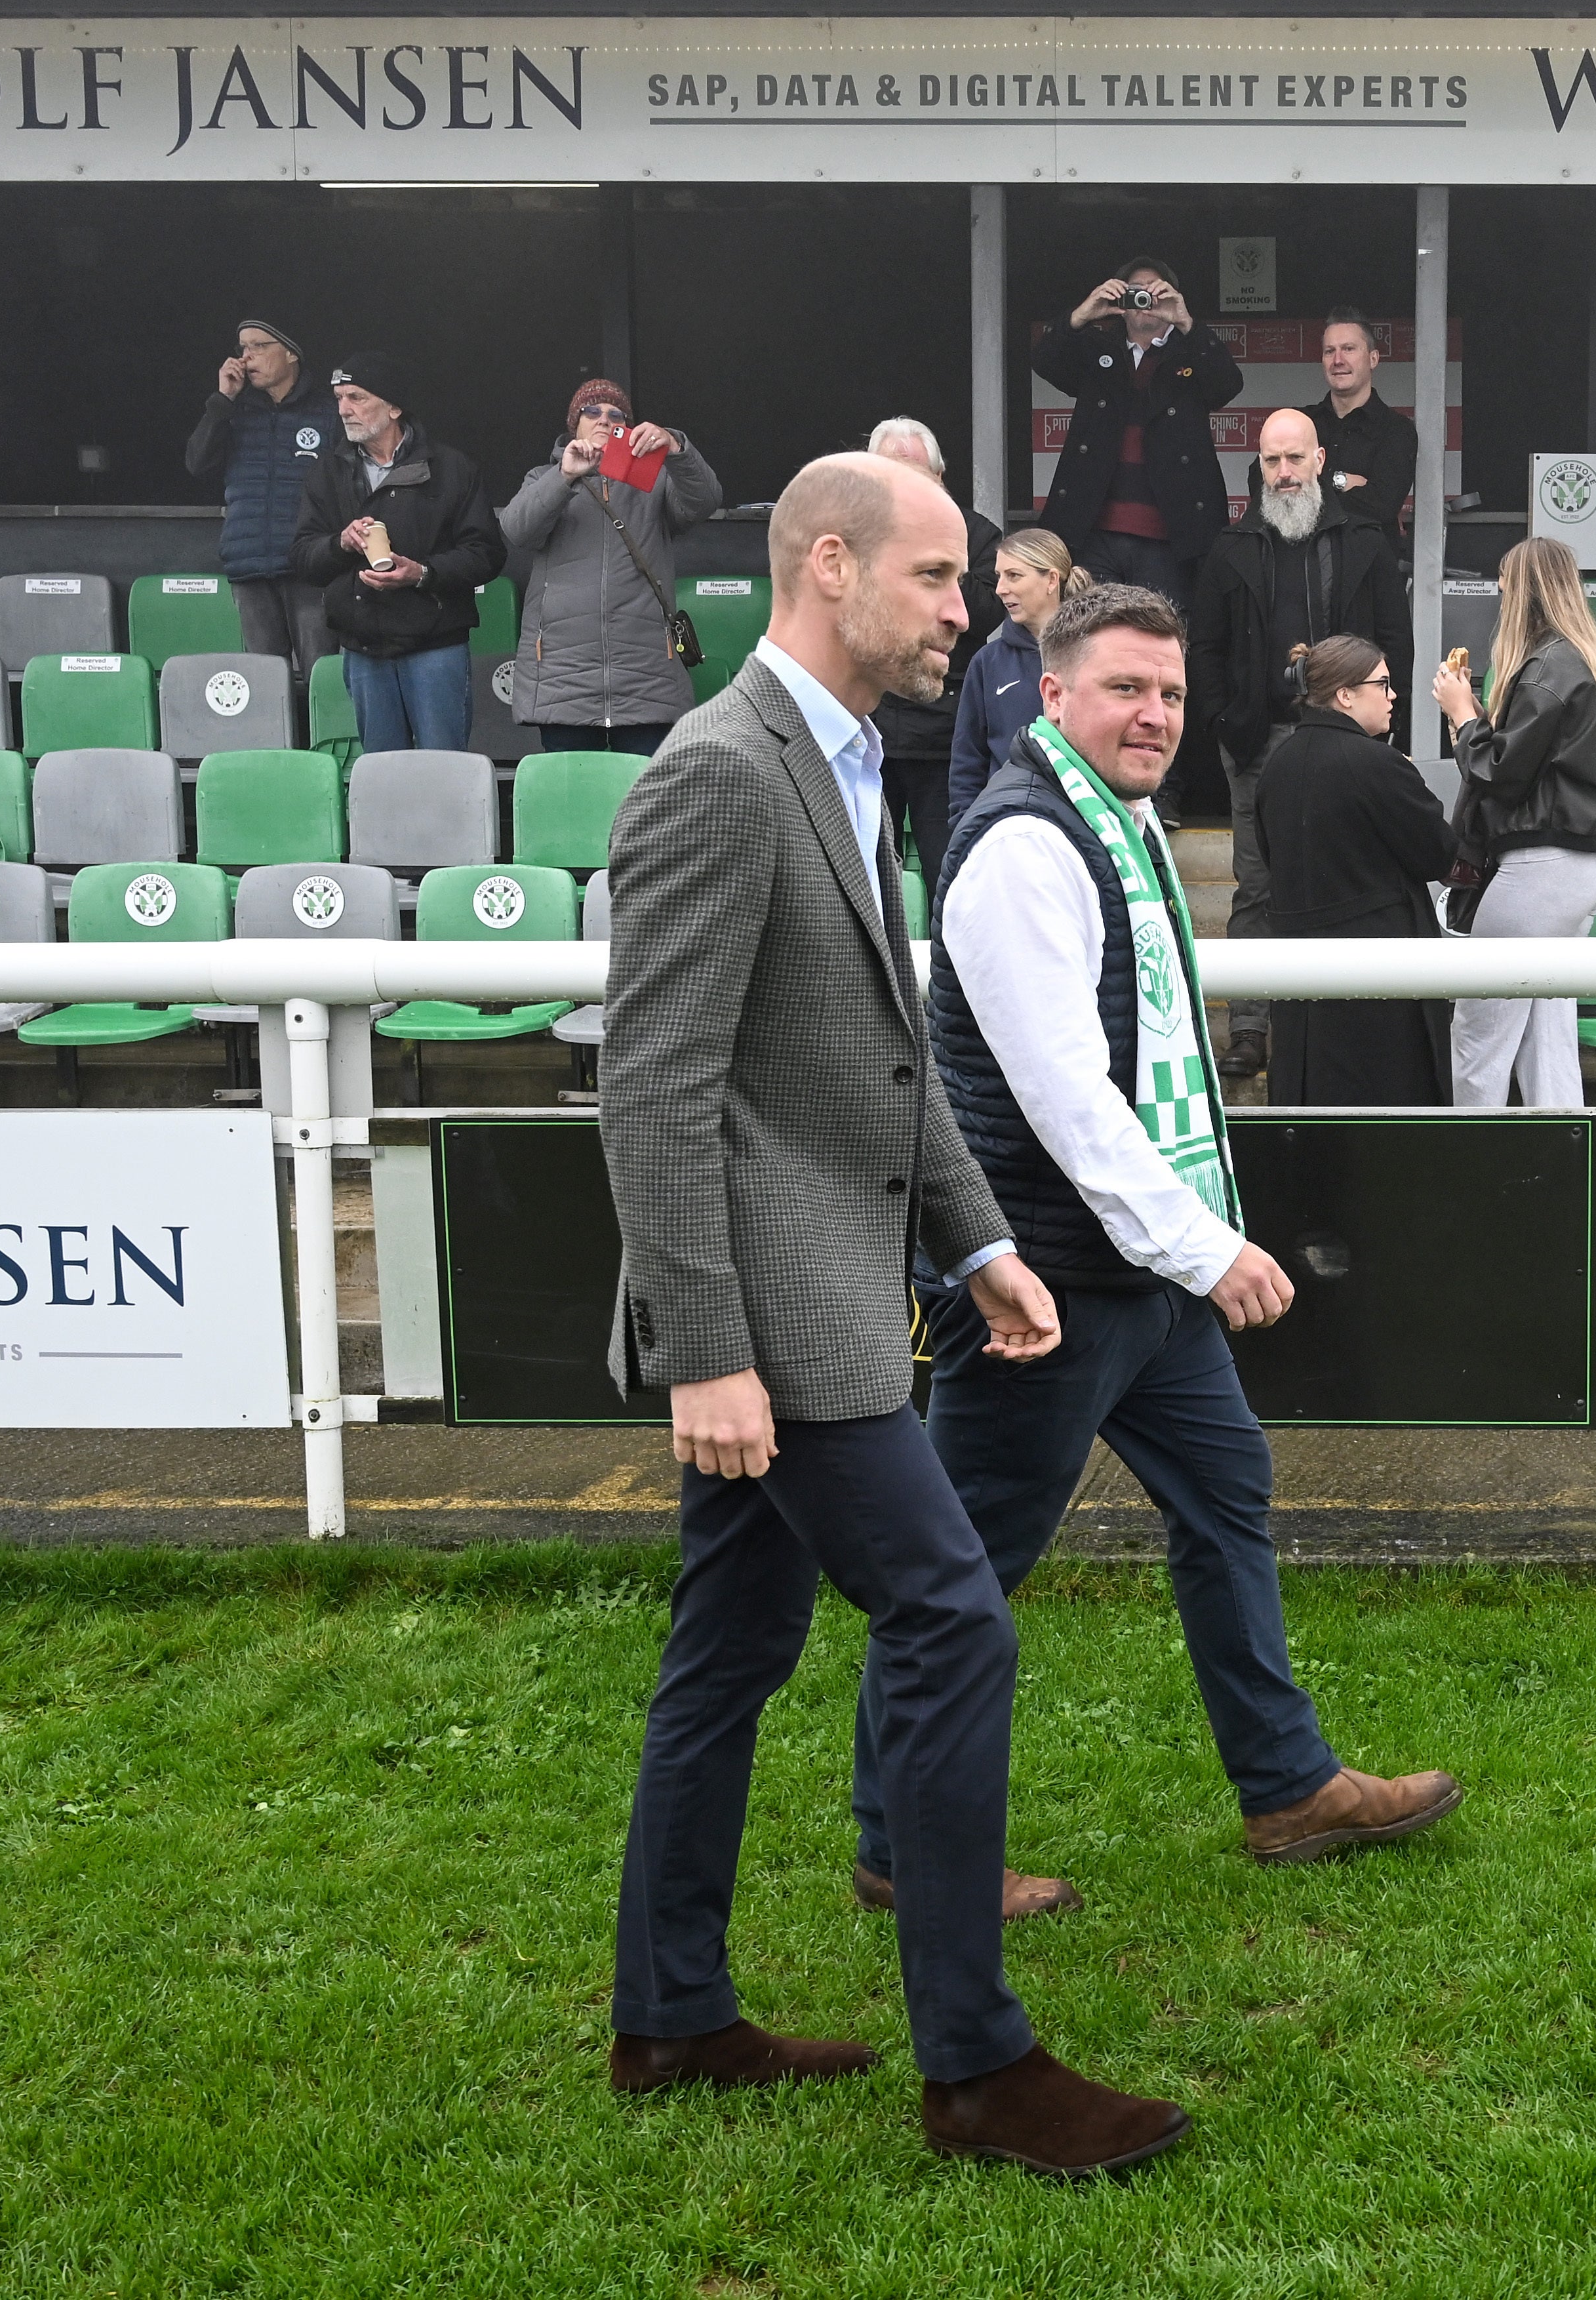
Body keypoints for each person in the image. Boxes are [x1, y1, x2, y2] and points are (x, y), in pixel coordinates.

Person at [600, 449, 1188, 2181]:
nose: (969, 610)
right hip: (777, 1321)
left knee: (729, 1650)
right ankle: (979, 2065)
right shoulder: (721, 772)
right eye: (940, 580)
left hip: (841, 1288)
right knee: (953, 1617)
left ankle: (673, 2017)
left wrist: (981, 1239)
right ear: (831, 566)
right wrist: (710, 1345)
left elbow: (880, 1051)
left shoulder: (848, 762)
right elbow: (655, 1087)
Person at [883, 576, 1460, 1916]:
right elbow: (1065, 1093)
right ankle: (898, 1843)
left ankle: (1285, 1786)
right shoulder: (1025, 844)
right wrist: (1204, 1247)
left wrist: (1181, 1251)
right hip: (1041, 1281)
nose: (1153, 715)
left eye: (1171, 692)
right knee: (965, 1576)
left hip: (1132, 1277)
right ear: (1053, 692)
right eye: (1126, 689)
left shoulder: (1120, 818)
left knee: (1225, 1496)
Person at [1187, 406, 1415, 1077]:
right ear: (1257, 467)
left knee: (1343, 884)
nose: (1283, 473)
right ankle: (1252, 1031)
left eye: (1294, 458)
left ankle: (1335, 1021)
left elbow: (1394, 642)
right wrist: (1223, 725)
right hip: (1257, 742)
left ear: (1320, 461)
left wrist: (1381, 727)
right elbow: (1204, 648)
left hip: (1346, 746)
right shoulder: (1230, 547)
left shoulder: (1366, 540)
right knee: (1256, 886)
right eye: (1270, 461)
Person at [1427, 538, 1596, 1107]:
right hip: (1582, 865)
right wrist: (1474, 725)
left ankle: (1473, 1174)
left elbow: (1503, 772)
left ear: (1528, 591)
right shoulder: (1576, 658)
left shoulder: (1547, 665)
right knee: (1548, 1034)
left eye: (1506, 581)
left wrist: (1464, 716)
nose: (1499, 590)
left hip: (1542, 867)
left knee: (1480, 1032)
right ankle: (1560, 1176)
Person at [1254, 636, 1460, 1106]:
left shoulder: (1277, 765)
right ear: (1345, 694)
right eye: (1383, 684)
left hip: (1299, 990)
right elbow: (1438, 854)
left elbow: (1270, 859)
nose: (1392, 696)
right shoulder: (1377, 763)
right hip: (1380, 990)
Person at [287, 353, 505, 756]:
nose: (344, 409)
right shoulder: (327, 472)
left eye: (356, 397)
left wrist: (422, 573)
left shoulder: (453, 468)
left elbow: (486, 554)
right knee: (384, 778)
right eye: (338, 399)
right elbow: (302, 557)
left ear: (394, 407)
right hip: (363, 647)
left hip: (436, 646)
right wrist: (340, 543)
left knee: (445, 772)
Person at [500, 376, 725, 759]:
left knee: (644, 804)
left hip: (646, 677)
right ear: (576, 425)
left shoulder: (654, 481)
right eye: (593, 412)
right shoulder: (544, 478)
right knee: (572, 803)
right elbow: (517, 530)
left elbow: (704, 501)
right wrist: (565, 475)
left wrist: (676, 448)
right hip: (563, 677)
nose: (604, 420)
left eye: (616, 414)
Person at [1030, 256, 1243, 607]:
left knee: (1157, 639)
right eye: (1134, 293)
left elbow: (1228, 385)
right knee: (1089, 637)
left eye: (1155, 294)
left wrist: (1186, 322)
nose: (1144, 301)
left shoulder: (1190, 352)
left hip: (1169, 538)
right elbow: (1045, 360)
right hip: (1094, 534)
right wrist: (1082, 315)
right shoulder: (1097, 350)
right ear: (1120, 304)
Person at [862, 417, 1007, 901]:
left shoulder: (977, 534)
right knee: (861, 881)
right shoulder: (850, 534)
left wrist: (933, 550)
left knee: (952, 879)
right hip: (866, 732)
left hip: (943, 737)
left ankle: (950, 977)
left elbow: (985, 613)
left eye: (915, 477)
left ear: (940, 479)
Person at [182, 317, 344, 676]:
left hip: (309, 565)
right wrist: (223, 399)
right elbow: (197, 463)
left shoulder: (328, 411)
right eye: (242, 348)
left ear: (290, 354)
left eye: (258, 346)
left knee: (323, 673)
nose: (246, 357)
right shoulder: (233, 409)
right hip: (249, 563)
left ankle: (320, 735)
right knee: (264, 680)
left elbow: (351, 482)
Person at [951, 529, 1086, 825]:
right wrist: (967, 824)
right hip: (1005, 827)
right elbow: (967, 761)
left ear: (1052, 580)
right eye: (999, 576)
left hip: (1084, 827)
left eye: (1014, 576)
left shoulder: (1095, 656)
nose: (1000, 589)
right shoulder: (988, 662)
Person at [1311, 308, 1419, 544]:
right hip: (1306, 571)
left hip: (1371, 572)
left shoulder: (1397, 430)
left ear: (1373, 359)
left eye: (1349, 349)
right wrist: (1340, 481)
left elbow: (1382, 506)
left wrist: (1304, 487)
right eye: (1330, 351)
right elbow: (1261, 483)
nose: (1338, 360)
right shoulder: (1302, 423)